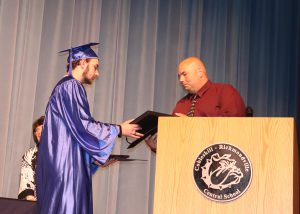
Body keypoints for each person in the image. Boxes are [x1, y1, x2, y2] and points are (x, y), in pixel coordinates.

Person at [36, 43, 143, 214]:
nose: (97, 73)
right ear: (82, 62)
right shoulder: (70, 86)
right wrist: (119, 129)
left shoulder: (64, 87)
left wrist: (93, 160)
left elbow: (72, 134)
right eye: (96, 67)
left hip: (64, 165)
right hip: (66, 169)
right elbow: (84, 126)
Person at [145, 57, 246, 152]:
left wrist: (194, 125)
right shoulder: (181, 104)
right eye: (179, 76)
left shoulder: (224, 91)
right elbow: (178, 144)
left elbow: (235, 126)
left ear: (200, 72)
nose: (181, 80)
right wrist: (159, 147)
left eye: (184, 74)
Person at [18, 115, 44, 201]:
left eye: (43, 129)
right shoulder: (29, 155)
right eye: (37, 131)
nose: (39, 133)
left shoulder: (63, 152)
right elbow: (26, 181)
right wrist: (30, 200)